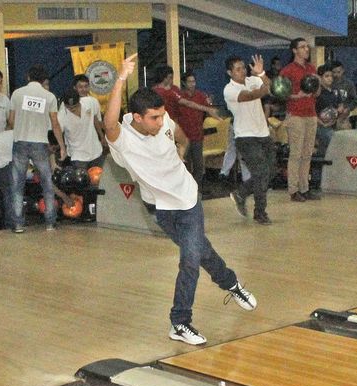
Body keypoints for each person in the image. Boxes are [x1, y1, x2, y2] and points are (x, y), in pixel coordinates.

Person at [104, 53, 257, 346]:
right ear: (137, 117)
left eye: (162, 115)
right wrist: (121, 78)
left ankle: (180, 322)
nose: (160, 121)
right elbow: (109, 123)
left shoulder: (163, 121)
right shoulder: (123, 139)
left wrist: (181, 151)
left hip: (187, 201)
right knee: (202, 253)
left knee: (190, 260)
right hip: (160, 209)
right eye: (154, 117)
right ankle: (231, 283)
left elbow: (182, 136)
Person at [9, 64, 65, 233]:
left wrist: (22, 126)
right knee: (47, 183)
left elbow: (11, 120)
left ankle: (18, 224)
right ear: (43, 80)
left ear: (28, 77)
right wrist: (62, 146)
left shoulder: (17, 94)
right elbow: (55, 124)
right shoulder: (49, 96)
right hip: (39, 143)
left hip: (20, 141)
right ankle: (50, 222)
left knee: (17, 184)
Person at [224, 54, 277, 224]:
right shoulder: (229, 90)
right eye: (237, 69)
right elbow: (250, 96)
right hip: (245, 137)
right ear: (230, 73)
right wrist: (264, 87)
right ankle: (260, 212)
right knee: (260, 173)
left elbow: (272, 87)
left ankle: (241, 193)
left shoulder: (253, 80)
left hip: (263, 134)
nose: (242, 71)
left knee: (271, 172)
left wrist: (261, 74)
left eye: (243, 68)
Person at [280, 37, 319, 202]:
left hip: (311, 114)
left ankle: (305, 188)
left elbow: (317, 91)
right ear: (294, 50)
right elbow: (280, 92)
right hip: (295, 115)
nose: (306, 49)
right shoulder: (287, 70)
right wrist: (298, 95)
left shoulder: (311, 68)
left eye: (307, 47)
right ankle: (293, 190)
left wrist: (316, 88)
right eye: (302, 47)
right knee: (296, 154)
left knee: (307, 154)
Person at [176, 71, 213, 187]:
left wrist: (210, 103)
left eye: (194, 81)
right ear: (184, 83)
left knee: (198, 165)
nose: (192, 84)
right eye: (190, 82)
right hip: (183, 137)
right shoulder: (179, 97)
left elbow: (208, 110)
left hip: (197, 135)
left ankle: (197, 189)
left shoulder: (200, 96)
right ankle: (185, 188)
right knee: (184, 165)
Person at [151, 65, 220, 123]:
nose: (172, 80)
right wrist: (208, 109)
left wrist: (206, 101)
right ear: (165, 78)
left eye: (193, 81)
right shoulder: (165, 92)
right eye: (171, 77)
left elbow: (187, 100)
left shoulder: (173, 89)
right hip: (166, 123)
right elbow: (187, 103)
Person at [57, 88, 104, 169]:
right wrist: (62, 148)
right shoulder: (61, 116)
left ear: (79, 100)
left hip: (96, 151)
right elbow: (57, 132)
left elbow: (95, 119)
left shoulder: (91, 102)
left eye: (75, 106)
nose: (72, 109)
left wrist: (102, 136)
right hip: (77, 156)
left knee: (98, 176)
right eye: (69, 107)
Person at [313, 63, 342, 191]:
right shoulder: (317, 93)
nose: (330, 78)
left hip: (332, 125)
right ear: (320, 78)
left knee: (323, 152)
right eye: (326, 76)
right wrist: (321, 122)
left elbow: (339, 105)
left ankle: (320, 180)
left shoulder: (334, 92)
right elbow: (312, 111)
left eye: (331, 76)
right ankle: (317, 179)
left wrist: (339, 110)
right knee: (331, 144)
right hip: (321, 126)